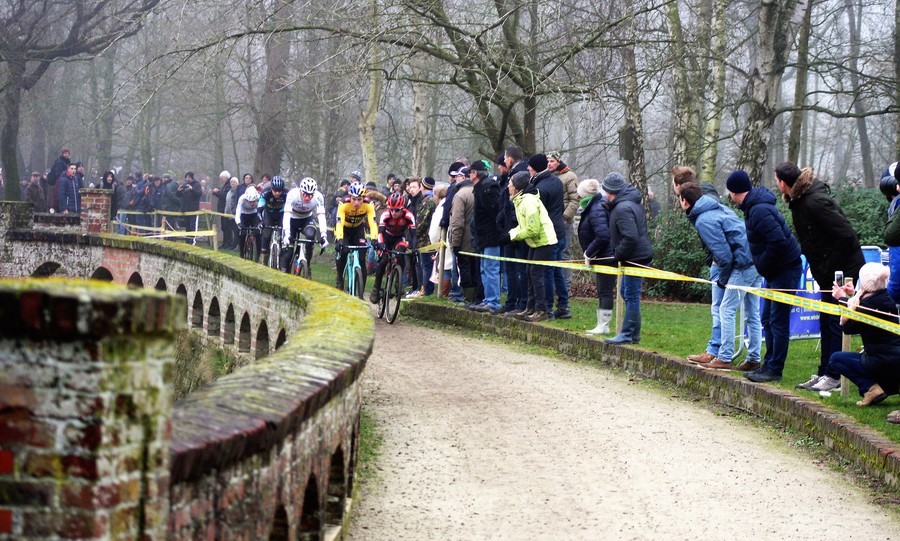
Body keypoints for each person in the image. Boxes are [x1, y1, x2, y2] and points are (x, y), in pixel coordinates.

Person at [774, 162, 865, 390]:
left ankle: (834, 375)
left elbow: (846, 235)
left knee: (835, 321)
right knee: (825, 320)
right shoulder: (800, 201)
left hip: (841, 271)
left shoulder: (815, 201)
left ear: (783, 183)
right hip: (827, 271)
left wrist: (829, 268)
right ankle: (825, 370)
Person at [726, 169, 803, 383]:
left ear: (734, 192)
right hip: (775, 270)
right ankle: (768, 363)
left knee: (778, 320)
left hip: (784, 269)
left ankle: (775, 369)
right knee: (767, 318)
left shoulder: (758, 210)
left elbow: (778, 241)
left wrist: (764, 265)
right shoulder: (753, 207)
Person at [679, 182, 762, 369]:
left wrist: (723, 281)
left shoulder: (703, 220)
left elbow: (724, 256)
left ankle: (724, 357)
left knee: (726, 309)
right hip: (755, 258)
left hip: (743, 264)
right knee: (752, 311)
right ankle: (754, 358)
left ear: (684, 201)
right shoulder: (717, 207)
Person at [813, 263, 900, 407]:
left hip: (881, 360)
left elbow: (848, 327)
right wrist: (852, 296)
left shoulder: (869, 304)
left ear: (865, 283)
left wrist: (841, 299)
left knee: (836, 359)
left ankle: (872, 388)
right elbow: (861, 306)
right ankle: (889, 385)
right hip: (893, 357)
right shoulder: (884, 297)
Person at [672, 166, 728, 365]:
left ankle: (717, 350)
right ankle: (719, 349)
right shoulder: (705, 199)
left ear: (680, 186)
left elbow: (716, 235)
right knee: (722, 307)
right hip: (718, 259)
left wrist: (715, 258)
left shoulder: (703, 204)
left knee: (720, 307)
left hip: (720, 261)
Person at [602, 172, 653, 345]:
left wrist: (618, 255)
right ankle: (633, 333)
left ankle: (628, 334)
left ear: (610, 192)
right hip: (635, 254)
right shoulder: (628, 204)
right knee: (626, 292)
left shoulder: (623, 208)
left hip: (635, 256)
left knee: (631, 294)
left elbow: (630, 237)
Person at [501, 171, 557, 322]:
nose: (508, 187)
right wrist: (509, 234)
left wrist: (513, 236)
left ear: (518, 187)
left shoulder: (528, 202)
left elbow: (533, 229)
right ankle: (530, 307)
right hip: (535, 242)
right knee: (528, 271)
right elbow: (523, 225)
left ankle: (542, 310)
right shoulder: (520, 200)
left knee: (535, 274)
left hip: (544, 241)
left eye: (511, 185)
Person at [528, 153, 568, 319]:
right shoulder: (556, 181)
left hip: (547, 233)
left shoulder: (540, 187)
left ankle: (548, 308)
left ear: (534, 168)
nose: (528, 169)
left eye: (530, 166)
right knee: (555, 270)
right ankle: (563, 305)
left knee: (546, 272)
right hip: (558, 229)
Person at [577, 178, 615, 334]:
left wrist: (588, 252)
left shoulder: (596, 208)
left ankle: (604, 325)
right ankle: (601, 324)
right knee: (602, 290)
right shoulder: (594, 206)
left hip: (606, 256)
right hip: (601, 255)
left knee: (605, 291)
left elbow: (603, 236)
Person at [469, 160, 504, 313]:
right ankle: (487, 299)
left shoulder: (487, 188)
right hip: (482, 235)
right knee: (484, 269)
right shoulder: (480, 187)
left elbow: (495, 210)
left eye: (470, 172)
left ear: (475, 173)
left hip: (490, 235)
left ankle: (493, 301)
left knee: (491, 269)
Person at [370, 192, 416, 304]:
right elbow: (380, 233)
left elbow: (413, 235)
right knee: (383, 260)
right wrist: (380, 244)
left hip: (399, 238)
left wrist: (414, 248)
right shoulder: (386, 215)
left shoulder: (409, 216)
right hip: (386, 238)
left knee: (400, 255)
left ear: (402, 209)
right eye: (392, 209)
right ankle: (376, 288)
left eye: (397, 210)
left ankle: (398, 283)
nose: (394, 213)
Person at [499, 148, 530, 315]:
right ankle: (512, 301)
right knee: (511, 268)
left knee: (517, 269)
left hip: (516, 229)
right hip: (509, 228)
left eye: (505, 158)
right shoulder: (512, 173)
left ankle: (519, 302)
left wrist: (509, 228)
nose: (503, 161)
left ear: (510, 158)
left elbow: (513, 205)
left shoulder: (519, 175)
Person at [547, 150, 579, 298]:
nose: (549, 164)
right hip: (550, 221)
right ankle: (554, 286)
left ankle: (566, 285)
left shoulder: (569, 176)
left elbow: (575, 199)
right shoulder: (548, 177)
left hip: (563, 221)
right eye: (548, 161)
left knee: (564, 253)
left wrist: (565, 217)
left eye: (552, 161)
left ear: (558, 161)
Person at [334, 181, 378, 291]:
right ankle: (340, 278)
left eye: (359, 199)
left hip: (358, 229)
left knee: (362, 257)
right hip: (344, 229)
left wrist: (374, 238)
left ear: (364, 197)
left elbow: (373, 224)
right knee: (343, 251)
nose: (357, 202)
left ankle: (361, 292)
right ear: (350, 197)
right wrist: (339, 239)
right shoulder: (343, 203)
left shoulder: (369, 205)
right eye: (354, 199)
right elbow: (339, 223)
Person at [281, 177, 328, 272]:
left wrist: (324, 235)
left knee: (310, 236)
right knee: (288, 254)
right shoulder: (292, 194)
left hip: (306, 219)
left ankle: (308, 264)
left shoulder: (318, 197)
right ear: (301, 191)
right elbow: (286, 215)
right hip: (291, 220)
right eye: (305, 194)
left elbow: (321, 216)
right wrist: (287, 233)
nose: (308, 197)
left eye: (311, 195)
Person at [449, 165, 478, 305]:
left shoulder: (460, 195)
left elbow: (457, 222)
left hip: (464, 239)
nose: (455, 178)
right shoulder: (477, 191)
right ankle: (477, 297)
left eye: (458, 176)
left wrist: (455, 243)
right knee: (476, 267)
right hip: (477, 238)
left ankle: (468, 298)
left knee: (464, 268)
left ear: (464, 177)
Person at [428, 183, 453, 296]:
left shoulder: (440, 209)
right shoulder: (451, 203)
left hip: (444, 240)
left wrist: (435, 244)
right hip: (453, 238)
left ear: (436, 195)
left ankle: (444, 293)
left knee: (445, 267)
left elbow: (434, 230)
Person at [235, 185, 261, 259]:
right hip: (244, 215)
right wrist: (239, 223)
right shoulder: (242, 198)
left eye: (253, 201)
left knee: (258, 233)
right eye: (250, 201)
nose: (252, 203)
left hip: (254, 215)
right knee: (243, 234)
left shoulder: (259, 198)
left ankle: (257, 256)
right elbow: (237, 213)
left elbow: (263, 211)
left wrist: (261, 222)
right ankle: (241, 253)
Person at [180, 172, 203, 243]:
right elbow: (179, 195)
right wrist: (178, 191)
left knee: (192, 226)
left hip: (193, 209)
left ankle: (192, 241)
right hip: (185, 209)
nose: (187, 179)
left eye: (189, 177)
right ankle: (187, 240)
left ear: (192, 178)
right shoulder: (184, 185)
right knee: (187, 226)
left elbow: (198, 194)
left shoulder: (197, 184)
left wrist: (192, 189)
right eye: (186, 177)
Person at [212, 170, 232, 249]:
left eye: (222, 178)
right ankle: (225, 243)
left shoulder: (228, 186)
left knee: (227, 228)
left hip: (226, 210)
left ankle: (228, 243)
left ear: (226, 178)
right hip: (222, 210)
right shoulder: (224, 186)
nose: (221, 180)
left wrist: (217, 192)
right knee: (224, 227)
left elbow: (224, 196)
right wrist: (216, 192)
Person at [223, 177, 240, 249]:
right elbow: (227, 203)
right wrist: (225, 212)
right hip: (228, 214)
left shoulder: (238, 191)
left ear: (237, 183)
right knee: (231, 229)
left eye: (234, 182)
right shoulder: (229, 192)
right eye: (231, 182)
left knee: (236, 230)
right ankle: (232, 243)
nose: (232, 184)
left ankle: (236, 245)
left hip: (235, 214)